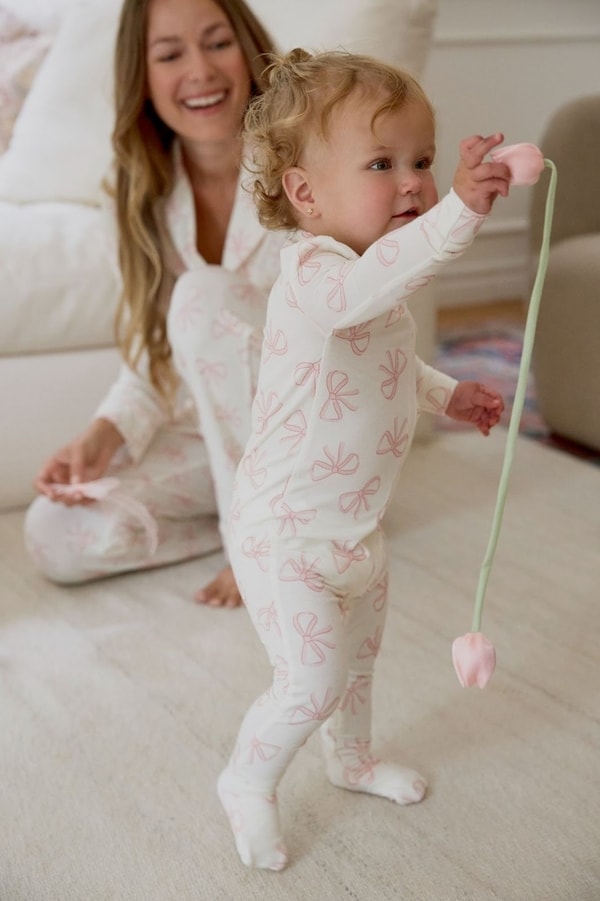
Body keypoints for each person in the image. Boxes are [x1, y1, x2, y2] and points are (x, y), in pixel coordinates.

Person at [217, 48, 510, 870]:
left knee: (357, 664)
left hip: (357, 529)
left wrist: (449, 394)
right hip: (286, 534)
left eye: (422, 160)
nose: (412, 182)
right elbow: (364, 296)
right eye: (382, 164)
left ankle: (350, 759)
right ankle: (245, 778)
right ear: (305, 193)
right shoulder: (317, 278)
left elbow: (387, 366)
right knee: (309, 681)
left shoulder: (375, 293)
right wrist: (459, 210)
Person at [23, 0, 287, 607]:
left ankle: (265, 539)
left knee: (203, 293)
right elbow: (157, 348)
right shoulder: (140, 192)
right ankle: (271, 526)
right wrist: (105, 433)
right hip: (216, 444)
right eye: (170, 55)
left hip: (309, 434)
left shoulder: (310, 163)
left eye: (217, 43)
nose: (200, 71)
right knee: (54, 533)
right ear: (142, 78)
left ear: (249, 50)